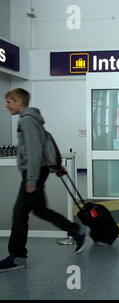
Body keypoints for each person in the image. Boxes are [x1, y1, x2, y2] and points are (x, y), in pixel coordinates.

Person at [0, 88, 86, 273]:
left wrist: (31, 180)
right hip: (38, 172)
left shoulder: (27, 121)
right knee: (41, 210)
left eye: (9, 102)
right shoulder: (33, 119)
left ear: (19, 102)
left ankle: (18, 256)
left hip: (34, 174)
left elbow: (34, 152)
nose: (7, 106)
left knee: (19, 214)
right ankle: (75, 231)